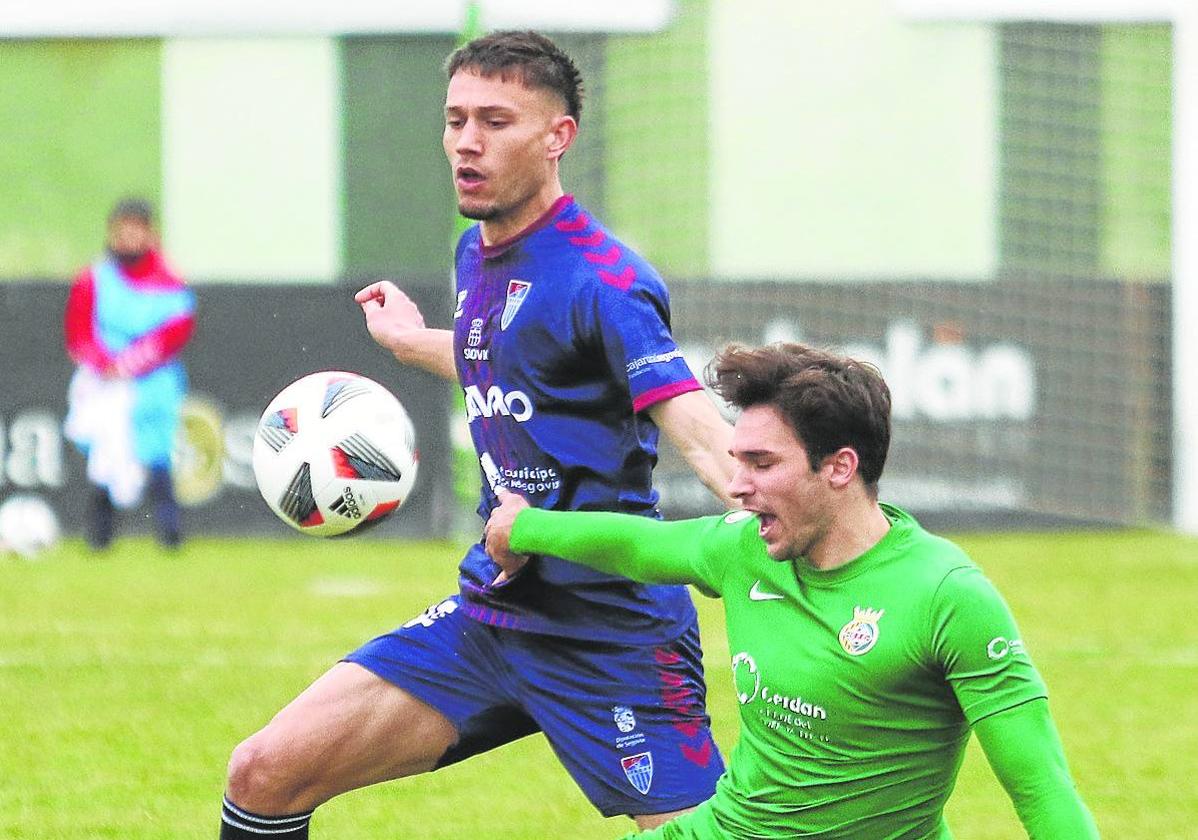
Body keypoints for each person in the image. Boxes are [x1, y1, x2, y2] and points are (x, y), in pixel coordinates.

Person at [219, 31, 735, 839]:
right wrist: (410, 342)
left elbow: (697, 429)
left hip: (611, 630)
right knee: (263, 773)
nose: (467, 140)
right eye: (456, 119)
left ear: (557, 136)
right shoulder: (475, 251)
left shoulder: (606, 280)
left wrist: (789, 519)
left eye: (496, 120)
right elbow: (505, 362)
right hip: (493, 614)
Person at [484, 342, 1101, 839]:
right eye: (738, 460)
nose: (738, 484)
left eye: (762, 463)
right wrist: (527, 526)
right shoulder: (745, 547)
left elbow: (1041, 789)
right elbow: (640, 546)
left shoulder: (946, 595)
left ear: (839, 466)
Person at [63, 197, 195, 550]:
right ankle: (99, 537)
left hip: (154, 384)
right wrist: (104, 364)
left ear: (150, 234)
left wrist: (129, 364)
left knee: (155, 455)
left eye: (137, 231)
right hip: (104, 383)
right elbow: (79, 333)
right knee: (106, 457)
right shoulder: (94, 278)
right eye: (123, 231)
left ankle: (169, 536)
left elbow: (174, 333)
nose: (129, 239)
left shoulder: (169, 282)